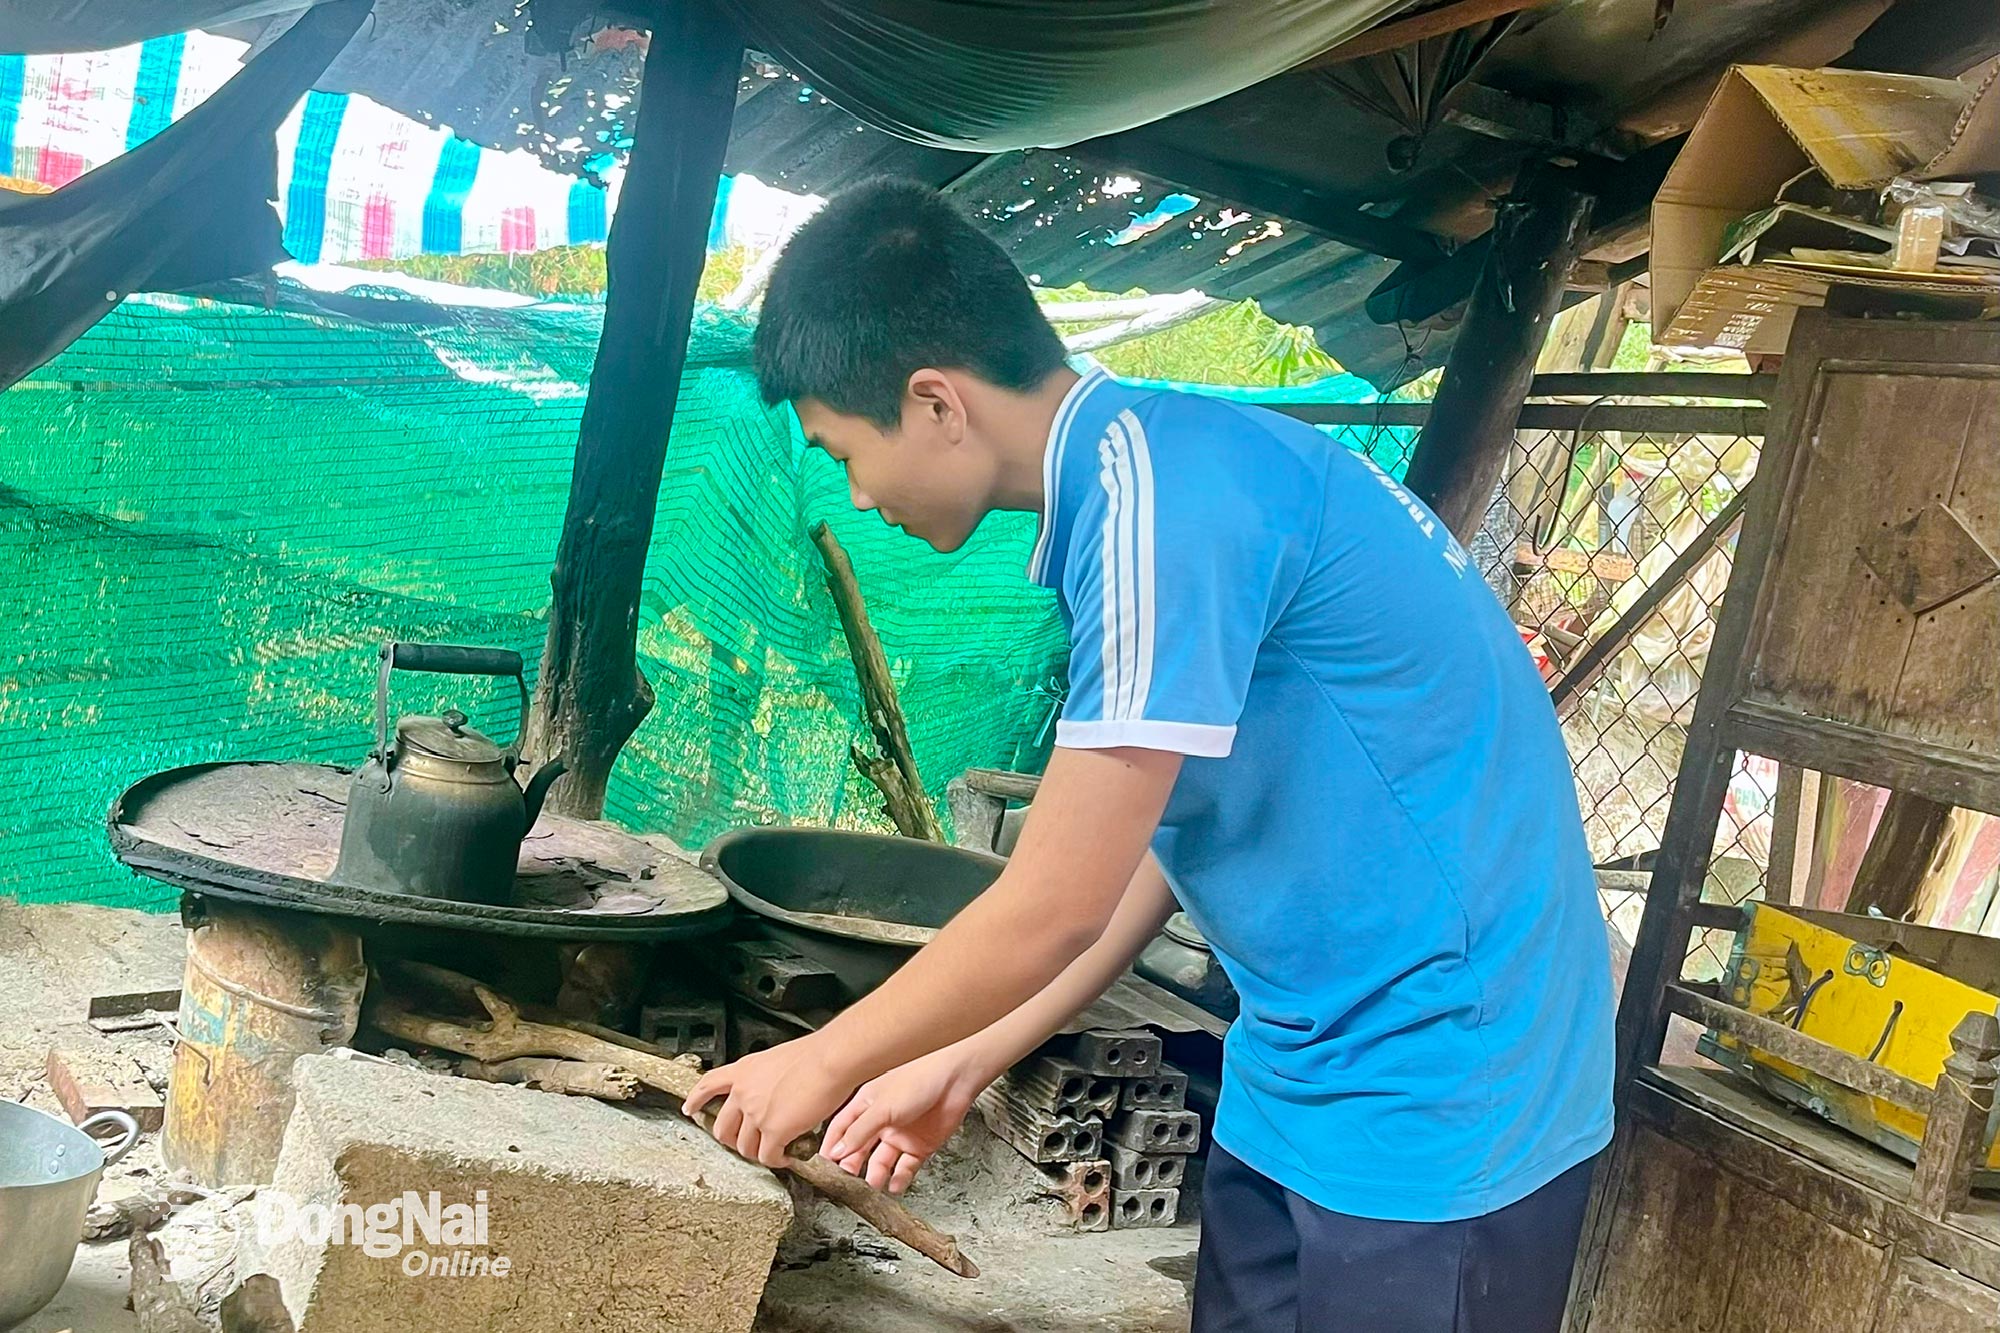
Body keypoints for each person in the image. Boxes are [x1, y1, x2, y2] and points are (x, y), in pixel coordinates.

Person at [685, 178, 1614, 1332]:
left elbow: (1052, 901)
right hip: (1303, 1058)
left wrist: (820, 1061)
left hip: (1446, 1086)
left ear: (933, 403)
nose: (857, 497)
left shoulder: (1157, 502)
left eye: (840, 451)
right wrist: (967, 1058)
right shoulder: (1141, 480)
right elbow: (1150, 849)